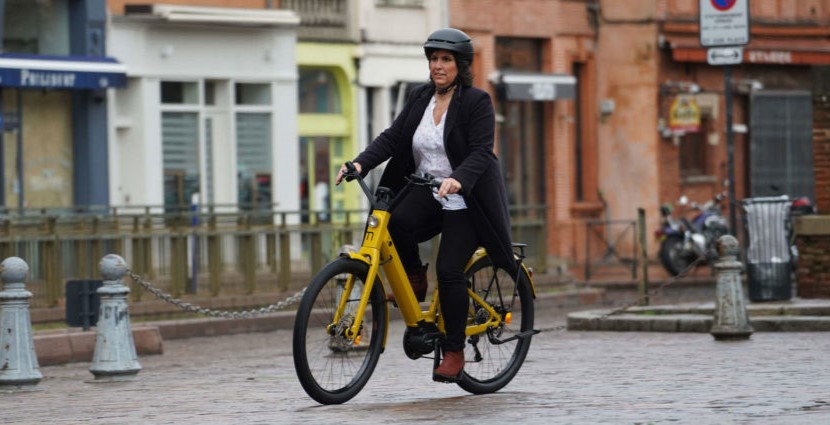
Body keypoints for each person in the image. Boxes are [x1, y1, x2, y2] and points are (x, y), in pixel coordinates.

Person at [335, 28, 516, 384]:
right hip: (427, 189)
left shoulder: (476, 102)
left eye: (445, 59)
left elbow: (481, 151)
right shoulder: (421, 98)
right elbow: (392, 137)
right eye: (433, 59)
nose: (438, 65)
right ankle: (413, 279)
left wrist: (459, 178)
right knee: (394, 223)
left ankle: (453, 350)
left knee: (449, 271)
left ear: (460, 65)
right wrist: (360, 164)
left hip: (465, 198)